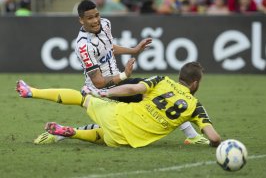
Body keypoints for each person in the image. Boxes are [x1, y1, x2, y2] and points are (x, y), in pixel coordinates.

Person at [16, 0, 208, 146]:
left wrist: (134, 50)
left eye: (97, 15)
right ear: (81, 20)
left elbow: (109, 48)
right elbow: (99, 82)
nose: (95, 20)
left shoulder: (106, 24)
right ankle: (192, 136)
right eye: (90, 18)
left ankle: (58, 134)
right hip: (101, 88)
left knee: (115, 127)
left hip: (117, 81)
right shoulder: (83, 46)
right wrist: (124, 76)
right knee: (157, 93)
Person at [42, 62, 221, 148]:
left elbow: (133, 88)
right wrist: (215, 145)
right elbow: (214, 138)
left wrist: (103, 93)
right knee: (104, 136)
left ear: (179, 76)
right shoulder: (196, 106)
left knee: (84, 99)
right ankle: (74, 133)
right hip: (126, 141)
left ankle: (33, 92)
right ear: (195, 84)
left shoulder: (162, 80)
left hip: (116, 112)